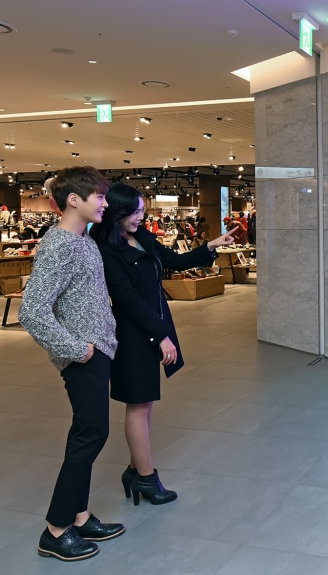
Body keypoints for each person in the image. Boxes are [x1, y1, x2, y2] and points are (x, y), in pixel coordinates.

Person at [91, 183, 235, 505]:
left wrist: (212, 246)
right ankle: (146, 478)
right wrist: (161, 336)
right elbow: (127, 300)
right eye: (135, 212)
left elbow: (174, 262)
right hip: (132, 334)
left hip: (150, 327)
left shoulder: (142, 237)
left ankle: (135, 470)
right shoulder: (106, 249)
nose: (140, 217)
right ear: (117, 211)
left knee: (145, 405)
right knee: (138, 405)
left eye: (142, 211)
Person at [18, 167, 125, 562]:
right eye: (99, 196)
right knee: (91, 434)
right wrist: (77, 349)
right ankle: (57, 529)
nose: (105, 203)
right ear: (74, 200)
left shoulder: (84, 241)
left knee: (87, 432)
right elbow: (31, 311)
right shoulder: (59, 245)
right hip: (84, 355)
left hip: (98, 350)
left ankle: (78, 516)